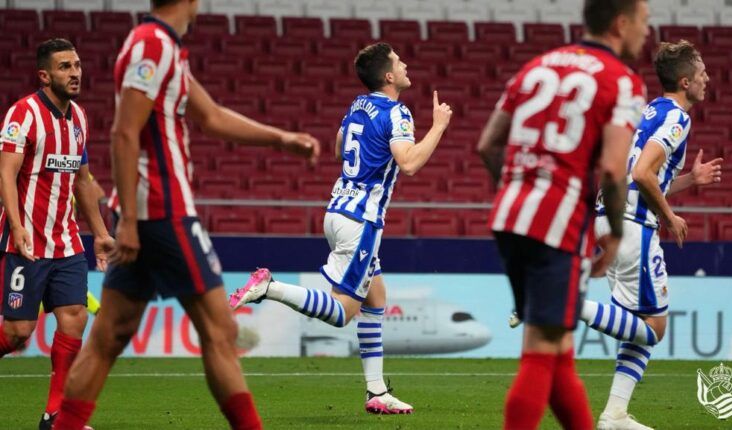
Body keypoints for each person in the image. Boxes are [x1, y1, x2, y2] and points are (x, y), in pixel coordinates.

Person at [55, 1, 320, 429]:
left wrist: (282, 139)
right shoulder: (152, 45)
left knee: (109, 337)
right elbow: (123, 133)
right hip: (164, 214)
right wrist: (129, 223)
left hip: (147, 217)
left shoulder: (160, 46)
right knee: (221, 331)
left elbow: (210, 116)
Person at [228, 42, 452, 414]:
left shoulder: (357, 105)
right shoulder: (397, 112)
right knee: (342, 311)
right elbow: (409, 163)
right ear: (388, 76)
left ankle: (377, 391)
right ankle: (271, 286)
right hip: (361, 222)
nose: (406, 64)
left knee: (376, 298)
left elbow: (338, 150)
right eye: (399, 61)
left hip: (337, 210)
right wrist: (439, 126)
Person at [477, 0, 650, 428]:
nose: (647, 33)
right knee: (542, 347)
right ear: (621, 23)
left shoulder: (536, 66)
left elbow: (487, 145)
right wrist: (612, 233)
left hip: (509, 215)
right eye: (644, 23)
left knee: (557, 348)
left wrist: (520, 188)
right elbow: (613, 169)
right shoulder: (623, 82)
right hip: (557, 223)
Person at [585, 40, 719, 430]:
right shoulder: (677, 118)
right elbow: (643, 174)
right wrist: (670, 215)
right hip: (633, 227)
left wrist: (690, 180)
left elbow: (641, 175)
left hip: (611, 217)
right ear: (684, 80)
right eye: (701, 73)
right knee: (654, 327)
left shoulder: (649, 112)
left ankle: (615, 415)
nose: (707, 78)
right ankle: (562, 301)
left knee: (639, 324)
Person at [0, 38, 113, 430]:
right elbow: (6, 173)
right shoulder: (23, 114)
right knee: (18, 334)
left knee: (74, 318)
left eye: (78, 65)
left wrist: (99, 233)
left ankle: (56, 416)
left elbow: (82, 182)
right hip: (26, 242)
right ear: (45, 75)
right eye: (65, 66)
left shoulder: (80, 118)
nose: (76, 72)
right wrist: (16, 227)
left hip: (66, 242)